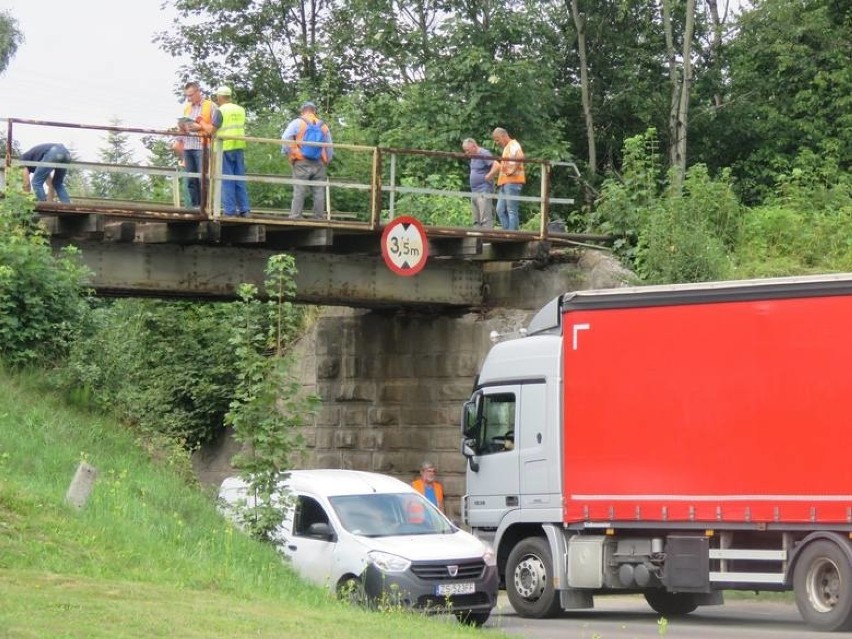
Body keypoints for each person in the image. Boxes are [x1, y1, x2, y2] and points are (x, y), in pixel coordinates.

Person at [281, 101, 333, 219]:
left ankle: (295, 216)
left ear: (302, 111)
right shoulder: (323, 125)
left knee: (299, 189)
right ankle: (319, 217)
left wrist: (290, 153)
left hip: (301, 161)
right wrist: (327, 160)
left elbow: (285, 138)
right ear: (314, 111)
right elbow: (329, 146)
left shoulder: (297, 123)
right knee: (318, 190)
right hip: (319, 162)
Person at [178, 81, 220, 207]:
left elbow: (213, 128)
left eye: (191, 95)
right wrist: (182, 126)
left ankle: (205, 206)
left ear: (198, 92)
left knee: (203, 178)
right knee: (191, 179)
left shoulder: (211, 106)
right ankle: (195, 207)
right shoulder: (187, 108)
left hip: (202, 146)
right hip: (188, 145)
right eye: (187, 96)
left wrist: (198, 127)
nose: (189, 98)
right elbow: (183, 126)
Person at [214, 86, 251, 217]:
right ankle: (245, 210)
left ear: (219, 97)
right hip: (239, 147)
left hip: (224, 148)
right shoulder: (241, 110)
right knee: (239, 179)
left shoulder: (220, 111)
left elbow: (213, 129)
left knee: (227, 180)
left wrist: (200, 124)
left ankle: (229, 211)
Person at [485, 127, 525, 231]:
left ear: (503, 136)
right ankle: (507, 231)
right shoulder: (507, 147)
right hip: (504, 183)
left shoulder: (513, 144)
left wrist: (512, 170)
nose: (496, 142)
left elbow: (520, 157)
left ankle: (512, 233)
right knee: (500, 209)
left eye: (497, 139)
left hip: (513, 182)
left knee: (511, 209)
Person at [462, 138, 495, 228]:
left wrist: (489, 176)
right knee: (476, 220)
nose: (467, 153)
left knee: (485, 218)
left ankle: (486, 239)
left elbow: (496, 165)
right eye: (465, 151)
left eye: (468, 151)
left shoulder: (483, 153)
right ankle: (477, 240)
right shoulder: (473, 157)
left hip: (483, 190)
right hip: (474, 191)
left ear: (473, 146)